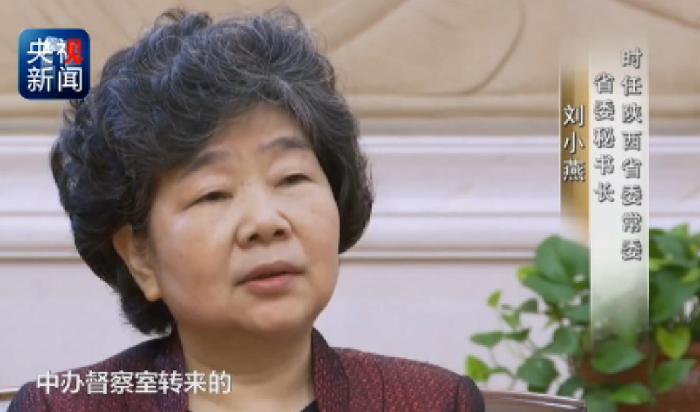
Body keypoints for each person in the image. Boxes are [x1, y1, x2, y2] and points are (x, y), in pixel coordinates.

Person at [8, 7, 484, 412]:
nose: (265, 222)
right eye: (213, 194)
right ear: (140, 255)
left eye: (292, 178)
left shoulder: (432, 402)